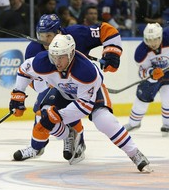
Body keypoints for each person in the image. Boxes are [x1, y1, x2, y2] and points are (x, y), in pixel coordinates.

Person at [9, 33, 152, 173]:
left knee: (104, 121)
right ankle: (69, 135)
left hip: (92, 95)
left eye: (61, 57)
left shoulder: (86, 72)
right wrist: (18, 94)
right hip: (64, 91)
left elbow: (84, 106)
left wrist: (58, 116)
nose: (57, 62)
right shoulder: (43, 61)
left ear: (71, 54)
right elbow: (24, 69)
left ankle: (135, 154)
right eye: (54, 56)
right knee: (43, 116)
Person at [21, 13, 123, 164]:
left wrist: (112, 52)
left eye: (48, 35)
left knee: (92, 114)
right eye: (41, 35)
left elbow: (106, 30)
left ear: (58, 33)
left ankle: (78, 138)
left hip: (83, 84)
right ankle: (37, 147)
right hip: (58, 85)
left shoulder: (77, 34)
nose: (44, 40)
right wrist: (49, 80)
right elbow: (33, 81)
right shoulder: (33, 50)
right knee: (42, 110)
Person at [124, 23, 169, 137]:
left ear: (161, 37)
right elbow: (141, 72)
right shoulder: (141, 52)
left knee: (167, 96)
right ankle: (134, 123)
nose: (152, 43)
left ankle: (167, 124)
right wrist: (151, 73)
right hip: (154, 76)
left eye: (155, 39)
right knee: (143, 96)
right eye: (149, 40)